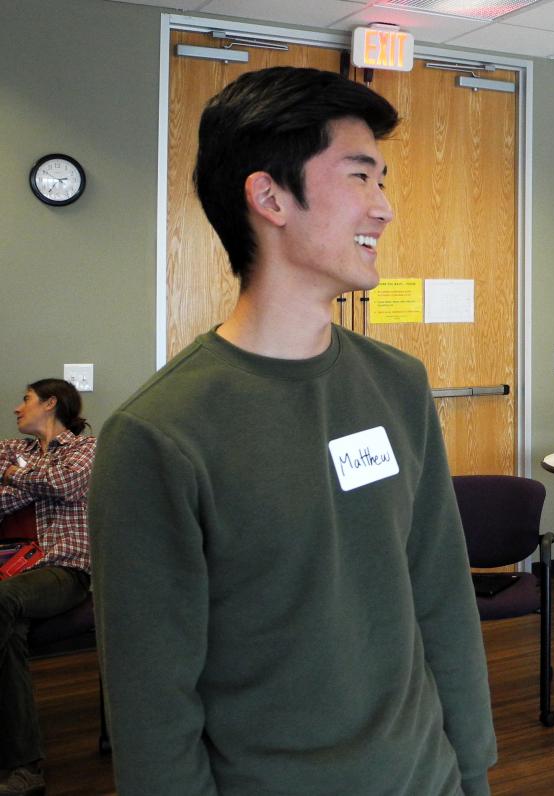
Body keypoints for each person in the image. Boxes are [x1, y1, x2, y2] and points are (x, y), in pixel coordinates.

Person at [88, 67, 496, 795]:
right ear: (269, 196)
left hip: (424, 776)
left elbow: (440, 595)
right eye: (361, 177)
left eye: (384, 180)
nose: (386, 208)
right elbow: (153, 706)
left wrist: (471, 769)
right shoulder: (159, 436)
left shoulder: (397, 384)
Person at [1, 379, 94, 796]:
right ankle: (26, 768)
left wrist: (13, 476)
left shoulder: (86, 449)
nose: (17, 409)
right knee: (10, 631)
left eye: (26, 400)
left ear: (51, 403)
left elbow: (65, 484)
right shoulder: (13, 449)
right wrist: (26, 475)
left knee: (2, 602)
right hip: (15, 572)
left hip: (65, 570)